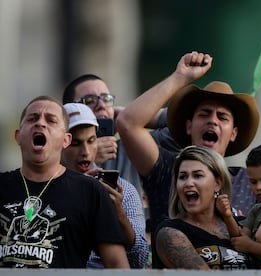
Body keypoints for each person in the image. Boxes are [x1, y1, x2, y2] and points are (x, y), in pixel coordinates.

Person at [116, 51, 260, 247]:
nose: (213, 121)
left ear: (233, 133)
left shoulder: (250, 182)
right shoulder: (167, 169)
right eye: (204, 114)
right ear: (188, 126)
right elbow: (127, 123)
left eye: (222, 117)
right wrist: (180, 77)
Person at [0, 96, 129, 268]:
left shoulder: (89, 190)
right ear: (18, 136)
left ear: (66, 140)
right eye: (32, 118)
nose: (40, 123)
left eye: (51, 120)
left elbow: (116, 264)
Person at [61, 103, 149, 268]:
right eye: (76, 143)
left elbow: (139, 260)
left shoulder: (122, 190)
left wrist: (119, 215)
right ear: (61, 143)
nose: (86, 151)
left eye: (91, 140)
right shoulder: (47, 187)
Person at [62, 74, 179, 195]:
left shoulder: (133, 146)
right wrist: (88, 159)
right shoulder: (56, 156)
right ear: (69, 111)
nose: (101, 105)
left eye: (107, 99)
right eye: (90, 101)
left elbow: (186, 125)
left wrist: (127, 119)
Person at [154, 146, 253, 269]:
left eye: (197, 175)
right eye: (183, 177)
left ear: (217, 184)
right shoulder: (169, 233)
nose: (188, 183)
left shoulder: (243, 225)